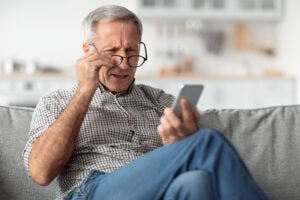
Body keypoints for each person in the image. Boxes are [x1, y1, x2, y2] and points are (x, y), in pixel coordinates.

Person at [23, 5, 267, 200]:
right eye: (111, 52)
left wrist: (180, 143)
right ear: (88, 51)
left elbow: (177, 160)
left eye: (132, 52)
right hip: (92, 190)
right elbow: (41, 173)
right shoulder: (57, 101)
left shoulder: (159, 100)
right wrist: (85, 92)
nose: (124, 63)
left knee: (197, 181)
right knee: (208, 142)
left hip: (156, 190)